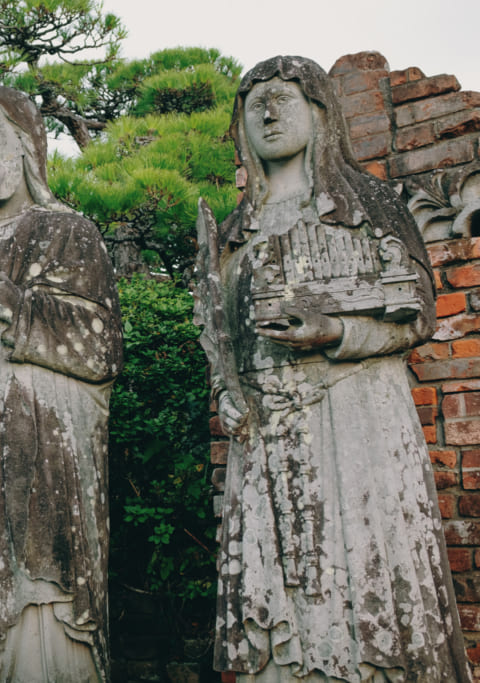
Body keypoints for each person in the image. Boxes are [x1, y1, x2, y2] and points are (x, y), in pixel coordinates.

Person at [200, 55, 470, 681]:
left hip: (359, 421)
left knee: (371, 571)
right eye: (255, 103)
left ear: (320, 112)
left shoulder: (369, 203)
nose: (268, 112)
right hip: (266, 436)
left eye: (282, 98)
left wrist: (337, 331)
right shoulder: (234, 231)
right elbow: (222, 343)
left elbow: (417, 317)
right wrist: (226, 394)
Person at [0, 86, 122, 682]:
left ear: (26, 144)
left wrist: (19, 307)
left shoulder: (67, 232)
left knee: (44, 595)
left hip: (46, 445)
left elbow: (103, 347)